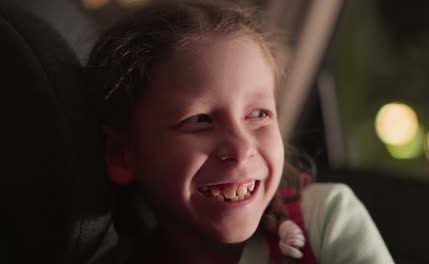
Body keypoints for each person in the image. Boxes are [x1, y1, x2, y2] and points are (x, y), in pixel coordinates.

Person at [86, 1, 394, 263]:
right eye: (199, 120)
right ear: (122, 156)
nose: (240, 146)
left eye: (258, 114)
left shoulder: (326, 220)